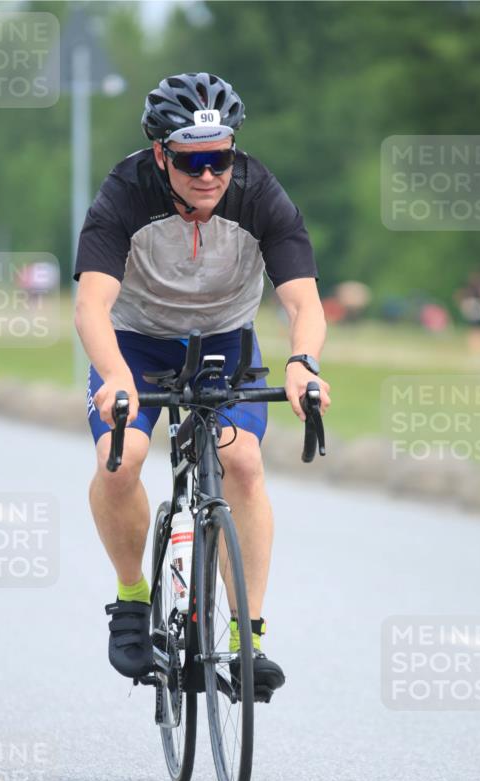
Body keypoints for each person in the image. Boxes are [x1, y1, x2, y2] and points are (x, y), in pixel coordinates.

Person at [74, 72, 330, 698]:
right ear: (162, 154)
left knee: (241, 460)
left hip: (225, 340)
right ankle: (133, 598)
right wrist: (114, 376)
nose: (210, 174)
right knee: (122, 459)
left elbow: (305, 301)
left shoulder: (258, 191)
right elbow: (90, 307)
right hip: (135, 342)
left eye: (221, 156)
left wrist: (304, 362)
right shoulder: (124, 194)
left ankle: (248, 638)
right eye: (194, 160)